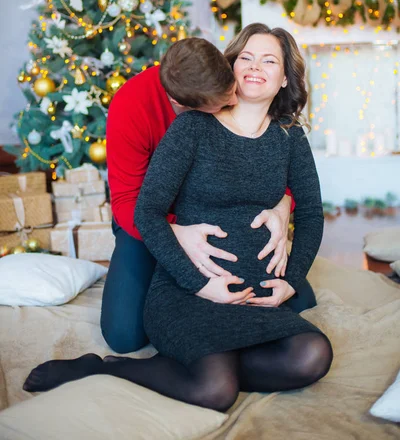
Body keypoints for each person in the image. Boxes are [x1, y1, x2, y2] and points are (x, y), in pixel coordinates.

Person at [23, 23, 332, 410]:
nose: (255, 67)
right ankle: (106, 368)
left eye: (269, 60)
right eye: (246, 58)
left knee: (312, 354)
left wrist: (291, 276)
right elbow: (140, 208)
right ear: (230, 67)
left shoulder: (290, 136)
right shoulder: (187, 124)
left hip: (254, 292)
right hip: (190, 285)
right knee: (209, 388)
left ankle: (211, 364)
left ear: (285, 77)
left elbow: (311, 210)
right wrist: (197, 278)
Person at [101, 36, 305, 354]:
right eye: (224, 104)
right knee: (125, 335)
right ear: (186, 107)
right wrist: (175, 233)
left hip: (212, 213)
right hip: (148, 216)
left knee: (298, 302)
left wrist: (283, 203)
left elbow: (267, 161)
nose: (234, 104)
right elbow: (128, 202)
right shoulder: (133, 107)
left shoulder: (214, 73)